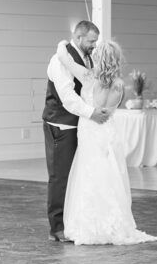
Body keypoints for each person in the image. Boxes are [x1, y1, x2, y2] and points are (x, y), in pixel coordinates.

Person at [55, 37, 157, 245]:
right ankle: (112, 223)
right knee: (110, 175)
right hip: (107, 131)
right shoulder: (120, 85)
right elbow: (109, 111)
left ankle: (89, 225)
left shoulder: (88, 77)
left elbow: (63, 59)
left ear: (98, 58)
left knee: (88, 174)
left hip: (89, 129)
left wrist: (62, 44)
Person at [42, 20, 110, 242]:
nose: (94, 45)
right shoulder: (59, 60)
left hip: (79, 126)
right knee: (60, 176)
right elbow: (68, 97)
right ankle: (57, 227)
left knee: (77, 176)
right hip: (61, 125)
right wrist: (92, 113)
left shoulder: (85, 57)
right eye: (91, 41)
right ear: (79, 37)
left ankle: (73, 222)